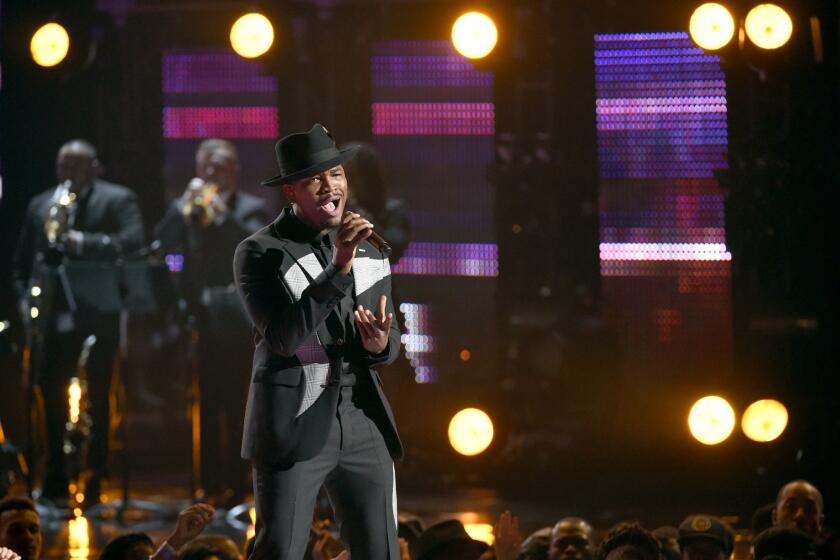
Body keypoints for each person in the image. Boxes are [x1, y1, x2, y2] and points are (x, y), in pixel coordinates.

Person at [233, 124, 403, 559]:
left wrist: (379, 344)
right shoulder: (261, 252)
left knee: (379, 550)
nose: (331, 187)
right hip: (295, 416)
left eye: (337, 175)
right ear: (291, 191)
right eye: (315, 179)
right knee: (281, 550)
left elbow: (389, 342)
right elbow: (284, 338)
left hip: (361, 415)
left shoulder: (370, 248)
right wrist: (338, 269)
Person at [12, 140, 145, 505]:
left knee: (99, 392)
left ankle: (95, 474)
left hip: (98, 313)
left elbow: (133, 241)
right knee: (48, 390)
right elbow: (22, 262)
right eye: (63, 165)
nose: (68, 173)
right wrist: (26, 300)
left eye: (76, 165)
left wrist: (81, 243)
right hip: (53, 315)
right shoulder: (41, 203)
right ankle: (54, 472)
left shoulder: (118, 199)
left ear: (94, 167)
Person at [155, 138, 267, 504]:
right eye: (206, 167)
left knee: (235, 401)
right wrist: (180, 208)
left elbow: (254, 247)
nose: (211, 174)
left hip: (236, 317)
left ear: (234, 169)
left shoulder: (250, 207)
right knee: (202, 399)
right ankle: (207, 482)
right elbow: (159, 244)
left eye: (219, 167)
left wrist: (220, 212)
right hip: (199, 316)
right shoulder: (187, 207)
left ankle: (236, 482)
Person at [340, 142, 411, 263]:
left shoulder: (393, 210)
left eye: (352, 176)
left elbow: (392, 250)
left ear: (368, 178)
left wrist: (356, 211)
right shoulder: (330, 211)